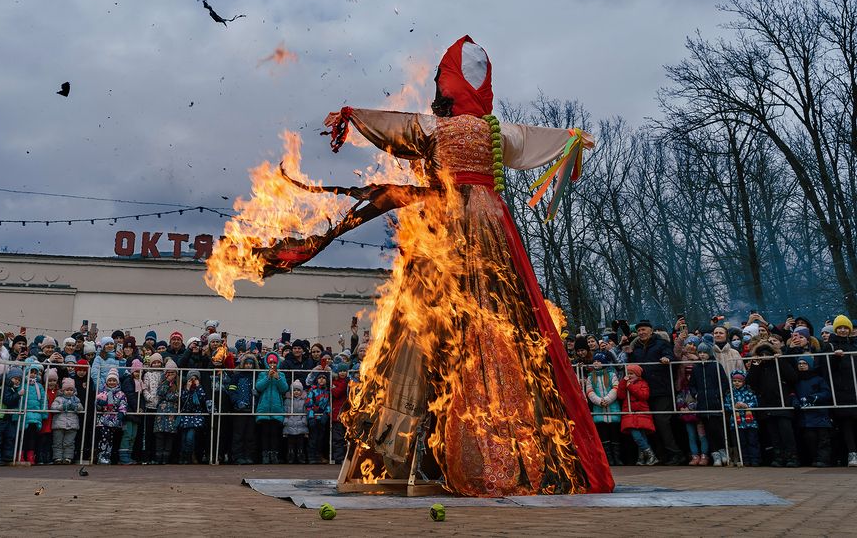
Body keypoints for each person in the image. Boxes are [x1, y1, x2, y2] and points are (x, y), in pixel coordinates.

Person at [206, 36, 612, 495]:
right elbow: (540, 139)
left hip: (443, 227)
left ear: (449, 85)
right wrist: (572, 140)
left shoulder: (436, 130)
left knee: (423, 322)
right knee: (503, 317)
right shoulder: (498, 133)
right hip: (493, 228)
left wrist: (352, 116)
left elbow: (395, 126)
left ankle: (411, 455)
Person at [627, 319, 683, 465]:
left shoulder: (661, 343)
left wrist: (667, 358)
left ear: (651, 330)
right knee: (649, 424)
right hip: (644, 391)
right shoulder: (636, 348)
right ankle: (660, 455)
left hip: (661, 389)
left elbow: (670, 355)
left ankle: (675, 453)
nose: (641, 332)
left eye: (644, 329)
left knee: (662, 421)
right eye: (639, 331)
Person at [747, 342, 798, 467]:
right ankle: (778, 456)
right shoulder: (759, 367)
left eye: (767, 354)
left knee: (786, 433)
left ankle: (792, 456)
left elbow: (793, 377)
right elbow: (750, 382)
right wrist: (755, 365)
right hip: (767, 405)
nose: (764, 356)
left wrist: (779, 361)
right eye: (762, 354)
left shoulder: (780, 363)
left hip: (782, 403)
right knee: (773, 434)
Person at [826, 315, 857, 466]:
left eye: (846, 328)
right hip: (841, 390)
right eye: (840, 328)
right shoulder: (830, 346)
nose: (843, 330)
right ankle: (852, 453)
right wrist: (836, 358)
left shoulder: (854, 344)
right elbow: (827, 369)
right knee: (846, 424)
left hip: (854, 387)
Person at [793, 355, 833, 467]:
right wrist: (795, 401)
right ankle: (815, 458)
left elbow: (826, 393)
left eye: (804, 363)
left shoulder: (819, 379)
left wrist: (815, 397)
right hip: (806, 416)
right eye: (799, 363)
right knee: (810, 439)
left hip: (820, 414)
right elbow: (793, 394)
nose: (801, 365)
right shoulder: (797, 381)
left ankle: (824, 459)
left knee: (823, 439)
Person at [584, 352, 621, 465]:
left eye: (599, 361)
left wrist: (608, 399)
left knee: (615, 434)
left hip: (612, 408)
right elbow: (589, 391)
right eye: (594, 361)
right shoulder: (591, 377)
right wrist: (600, 401)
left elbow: (615, 387)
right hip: (599, 409)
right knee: (603, 435)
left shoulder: (611, 375)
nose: (596, 363)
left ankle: (617, 458)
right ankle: (608, 458)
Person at [617, 365, 658, 465]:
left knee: (641, 436)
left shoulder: (643, 383)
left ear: (638, 375)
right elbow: (621, 396)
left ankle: (645, 457)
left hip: (641, 411)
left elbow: (644, 396)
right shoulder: (625, 383)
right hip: (630, 412)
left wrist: (630, 387)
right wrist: (623, 383)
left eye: (631, 374)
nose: (629, 376)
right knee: (636, 435)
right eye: (628, 373)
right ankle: (649, 455)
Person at [255, 351, 288, 465]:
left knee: (274, 433)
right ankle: (265, 454)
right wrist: (268, 378)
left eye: (274, 362)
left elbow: (284, 389)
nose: (272, 364)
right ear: (267, 363)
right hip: (264, 408)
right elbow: (259, 387)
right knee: (265, 433)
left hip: (276, 408)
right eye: (270, 362)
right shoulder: (262, 374)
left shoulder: (281, 375)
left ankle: (274, 454)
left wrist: (278, 378)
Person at [724, 370, 760, 466]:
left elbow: (755, 403)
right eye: (734, 381)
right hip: (737, 422)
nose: (736, 383)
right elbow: (726, 405)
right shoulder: (729, 393)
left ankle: (755, 459)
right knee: (741, 442)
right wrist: (733, 406)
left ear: (743, 382)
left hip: (750, 422)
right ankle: (745, 459)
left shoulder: (749, 392)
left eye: (739, 381)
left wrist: (746, 405)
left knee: (752, 441)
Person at [96, 368, 127, 464]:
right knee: (104, 438)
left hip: (114, 420)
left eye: (114, 380)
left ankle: (109, 456)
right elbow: (97, 405)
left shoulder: (121, 393)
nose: (112, 382)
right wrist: (100, 404)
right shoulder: (103, 392)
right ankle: (102, 455)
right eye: (110, 380)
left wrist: (122, 413)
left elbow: (123, 404)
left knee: (112, 439)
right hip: (104, 420)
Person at [50, 377, 83, 464]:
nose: (69, 391)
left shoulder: (76, 399)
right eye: (67, 390)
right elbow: (53, 408)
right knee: (58, 442)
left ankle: (68, 457)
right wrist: (62, 407)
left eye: (71, 390)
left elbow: (81, 408)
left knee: (69, 442)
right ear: (63, 390)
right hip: (59, 424)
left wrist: (75, 406)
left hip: (72, 424)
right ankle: (57, 458)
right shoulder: (58, 399)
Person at [154, 359, 181, 464]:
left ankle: (166, 459)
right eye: (168, 372)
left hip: (172, 413)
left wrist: (168, 396)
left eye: (172, 372)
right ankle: (158, 458)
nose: (170, 375)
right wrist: (167, 383)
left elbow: (176, 396)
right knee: (159, 436)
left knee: (170, 436)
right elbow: (160, 393)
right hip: (161, 413)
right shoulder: (163, 382)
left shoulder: (178, 384)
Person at [283, 380, 309, 464]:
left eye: (298, 390)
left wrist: (304, 421)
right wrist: (286, 421)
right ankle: (290, 456)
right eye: (294, 390)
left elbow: (305, 412)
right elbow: (286, 411)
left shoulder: (304, 401)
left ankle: (300, 455)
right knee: (290, 442)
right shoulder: (287, 400)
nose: (296, 392)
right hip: (290, 422)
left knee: (300, 442)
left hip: (301, 423)